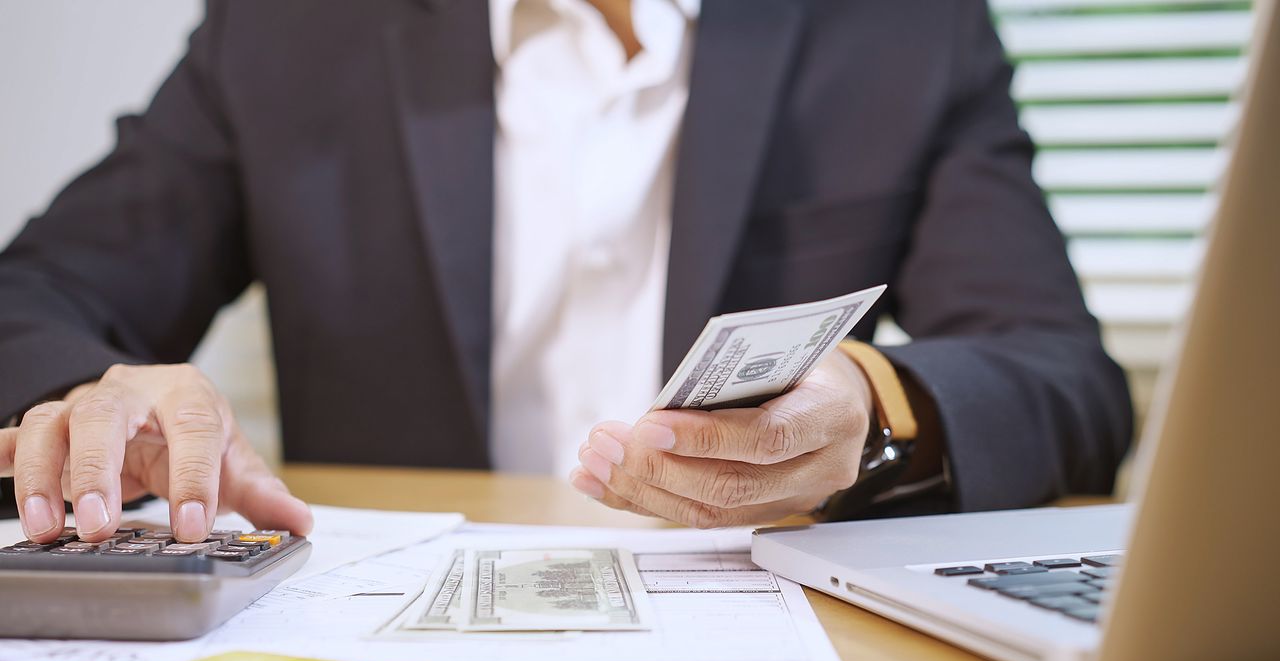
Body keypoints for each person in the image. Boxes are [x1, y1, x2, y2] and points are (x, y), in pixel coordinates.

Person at [0, 0, 1132, 545]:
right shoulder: (289, 31)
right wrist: (105, 393)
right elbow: (32, 300)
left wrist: (872, 411)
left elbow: (1061, 379)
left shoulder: (900, 29)